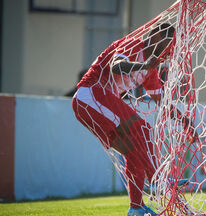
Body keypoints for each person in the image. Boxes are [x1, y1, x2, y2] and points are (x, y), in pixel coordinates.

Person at [72, 23, 196, 216]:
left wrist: (183, 120)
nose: (171, 53)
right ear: (156, 36)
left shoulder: (150, 71)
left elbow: (161, 100)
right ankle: (157, 180)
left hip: (93, 104)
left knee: (134, 153)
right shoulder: (133, 45)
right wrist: (143, 65)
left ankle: (135, 208)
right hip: (91, 95)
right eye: (170, 45)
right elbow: (116, 66)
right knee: (143, 130)